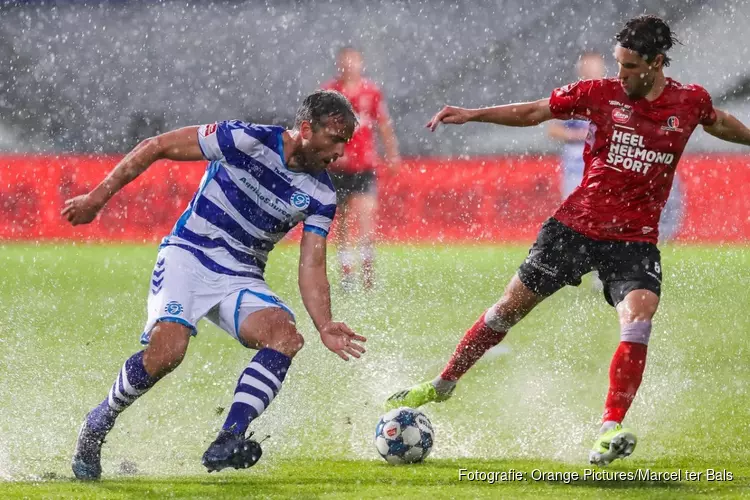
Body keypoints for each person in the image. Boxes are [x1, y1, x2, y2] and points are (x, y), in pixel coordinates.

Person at [385, 15, 750, 466]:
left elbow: (719, 122)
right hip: (575, 228)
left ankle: (609, 428)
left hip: (634, 240)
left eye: (631, 66)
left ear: (657, 63)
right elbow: (535, 111)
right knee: (507, 310)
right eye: (619, 64)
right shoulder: (600, 94)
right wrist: (474, 114)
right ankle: (441, 384)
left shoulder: (690, 101)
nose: (622, 75)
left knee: (639, 316)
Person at [63, 90, 367, 480]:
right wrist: (96, 198)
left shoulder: (322, 193)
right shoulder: (248, 140)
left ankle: (229, 437)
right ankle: (99, 421)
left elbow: (312, 263)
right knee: (167, 353)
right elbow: (156, 146)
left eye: (346, 142)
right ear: (307, 128)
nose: (340, 152)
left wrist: (324, 323)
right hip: (188, 254)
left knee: (286, 337)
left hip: (241, 274)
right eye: (334, 139)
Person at [549, 51, 685, 243]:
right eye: (587, 67)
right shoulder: (573, 94)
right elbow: (552, 129)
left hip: (605, 169)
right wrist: (579, 135)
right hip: (576, 169)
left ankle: (603, 259)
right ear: (580, 70)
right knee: (575, 220)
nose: (591, 71)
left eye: (595, 67)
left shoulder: (615, 94)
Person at [323, 47, 401, 291]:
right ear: (339, 65)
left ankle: (368, 273)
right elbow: (320, 128)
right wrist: (328, 153)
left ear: (361, 64)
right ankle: (347, 274)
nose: (350, 66)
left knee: (367, 216)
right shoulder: (330, 92)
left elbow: (384, 125)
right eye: (345, 62)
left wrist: (392, 155)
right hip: (337, 165)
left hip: (364, 164)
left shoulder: (371, 91)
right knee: (343, 220)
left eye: (354, 61)